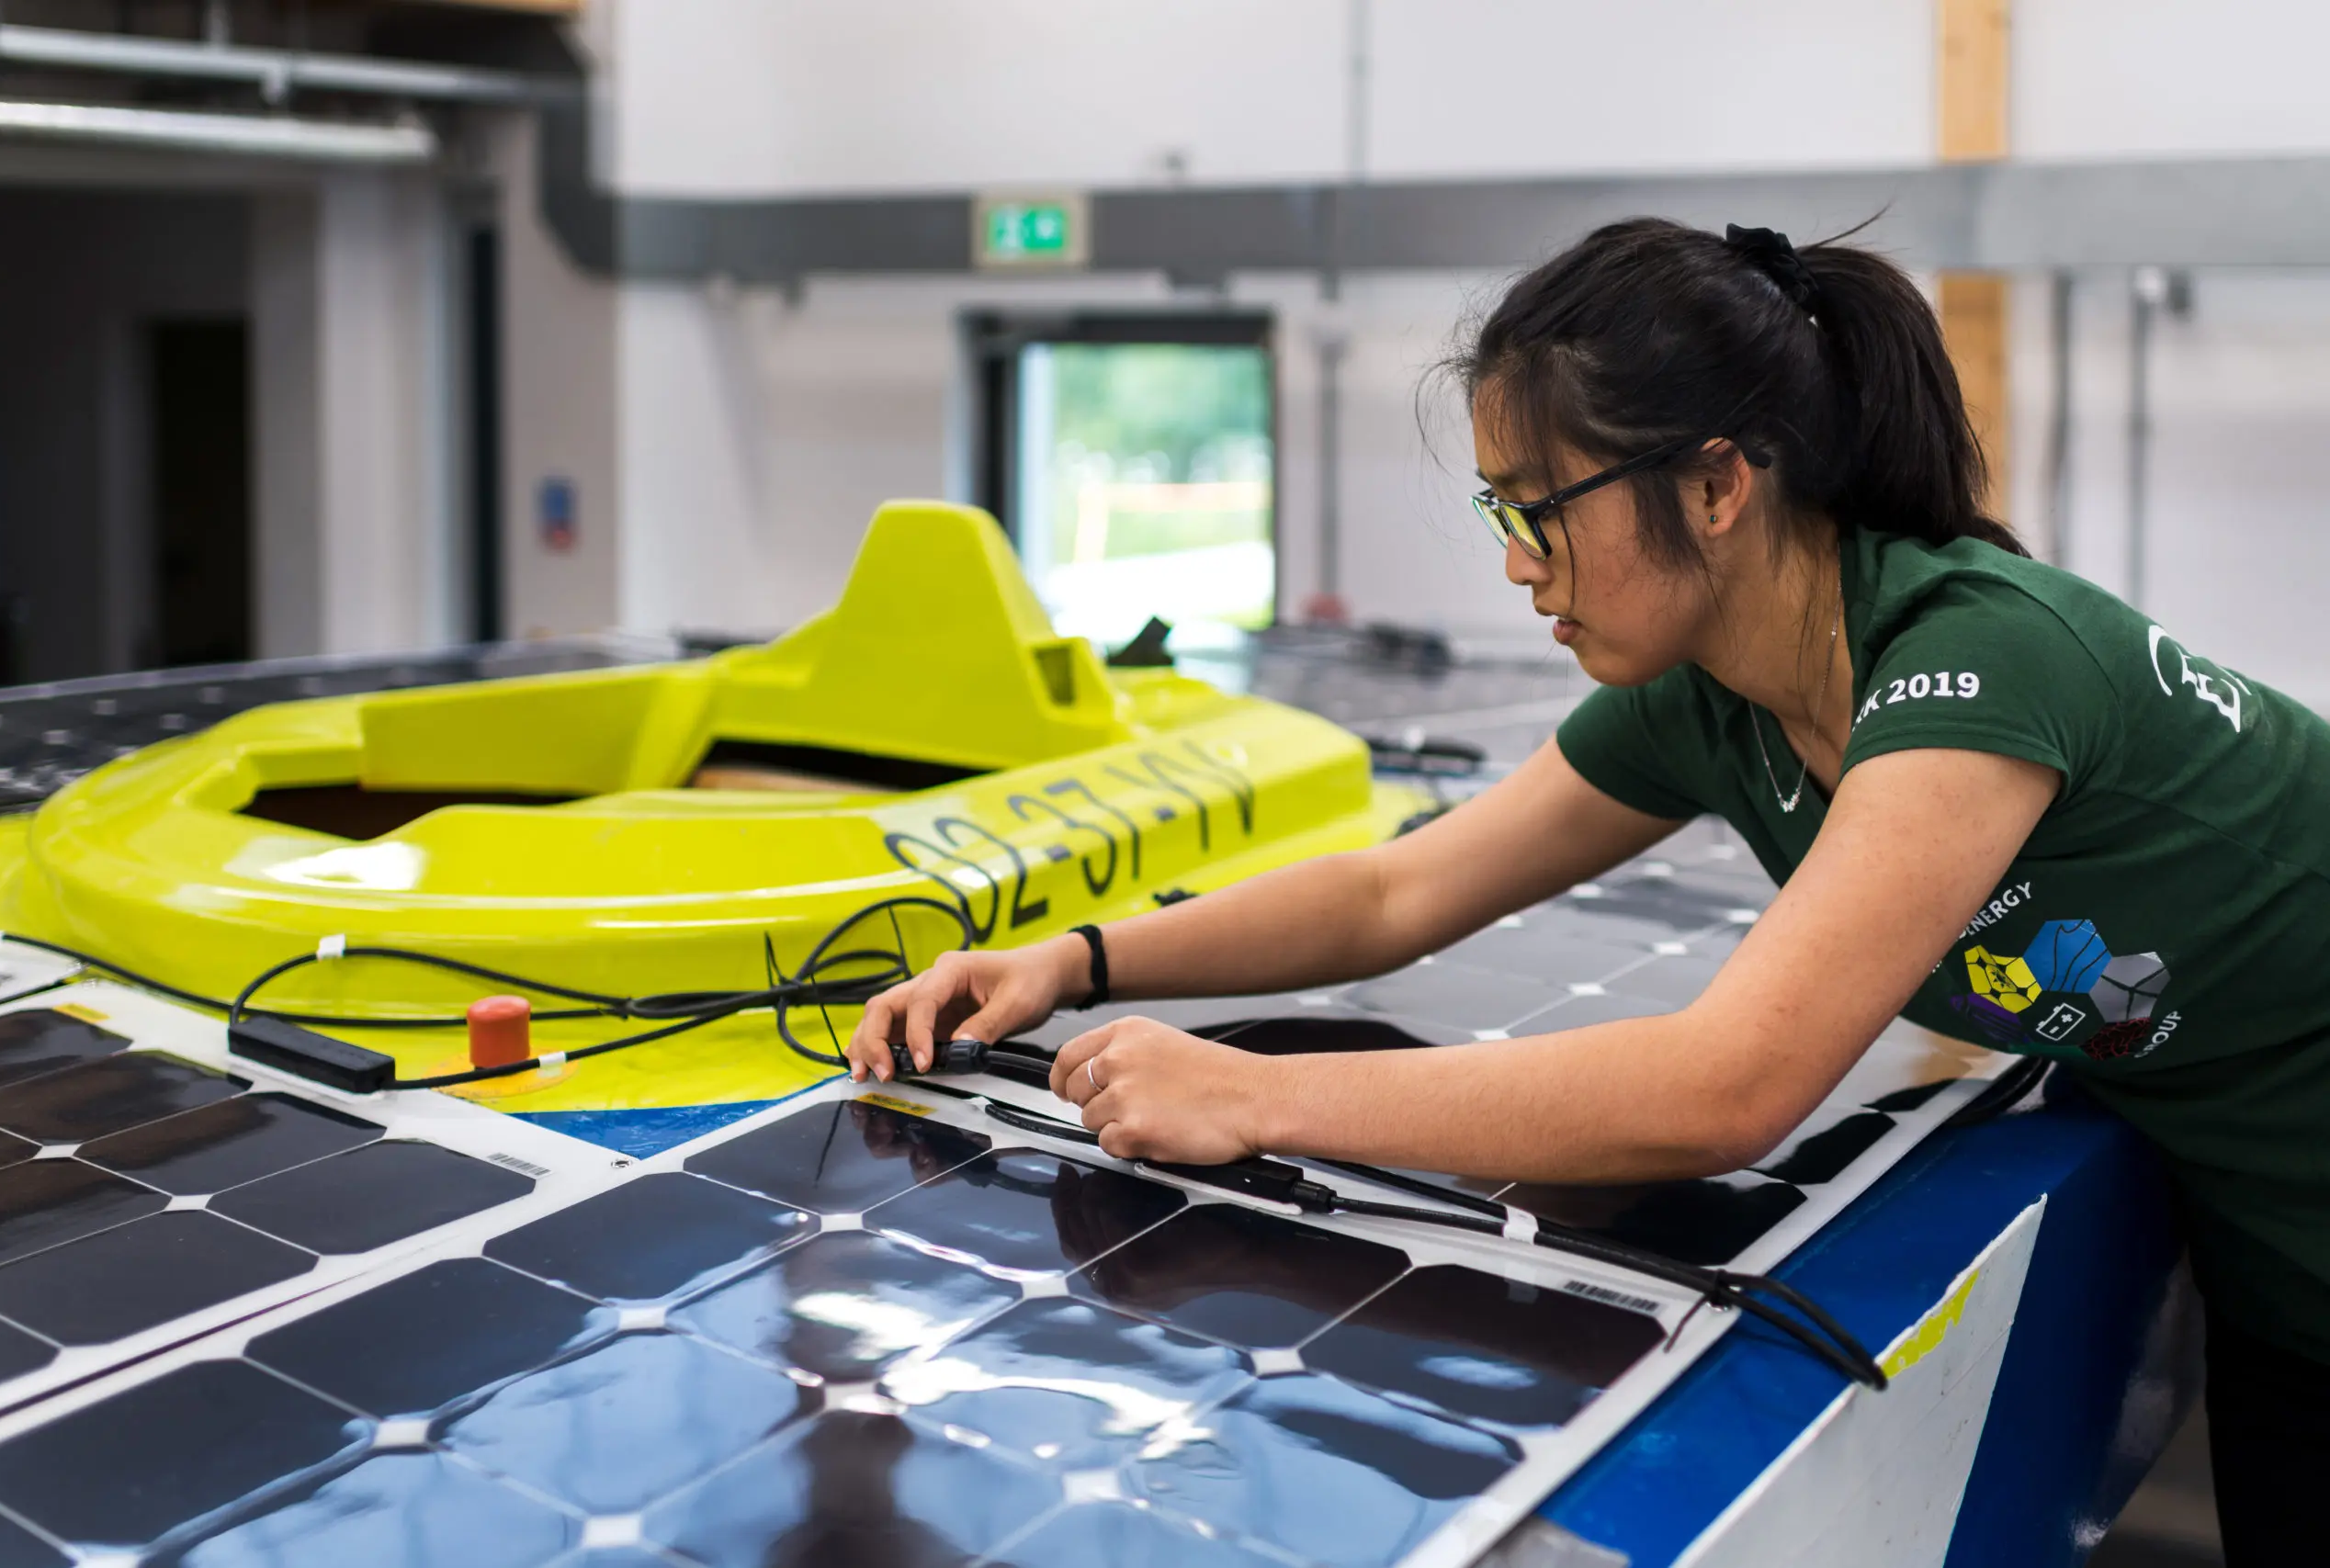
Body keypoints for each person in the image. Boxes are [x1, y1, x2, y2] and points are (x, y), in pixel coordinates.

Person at [848, 218, 2330, 1562]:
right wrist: (1074, 957)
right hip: (2278, 1251)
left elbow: (1732, 1084)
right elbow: (1396, 894)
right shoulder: (1716, 696)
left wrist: (1251, 1095)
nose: (1515, 564)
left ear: (1716, 483)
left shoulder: (1974, 662)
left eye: (1541, 509)